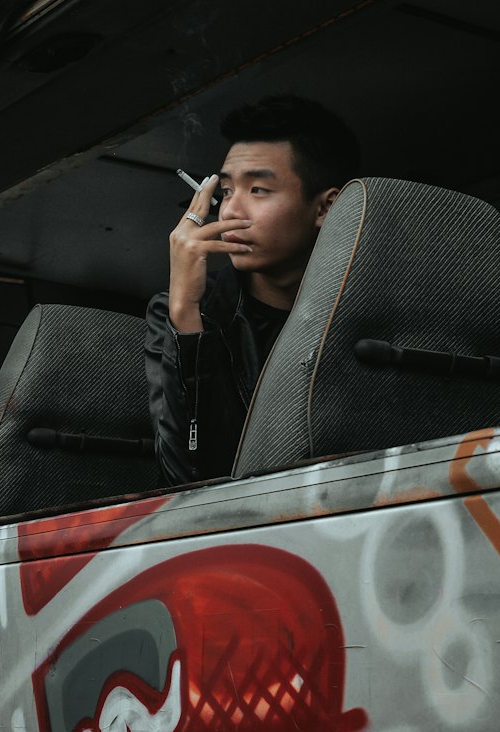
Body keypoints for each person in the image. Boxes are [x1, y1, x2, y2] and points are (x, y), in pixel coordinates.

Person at [144, 94, 360, 484]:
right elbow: (189, 476)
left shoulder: (366, 308)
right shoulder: (184, 313)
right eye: (226, 191)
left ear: (326, 208)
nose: (229, 212)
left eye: (258, 190)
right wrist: (187, 316)